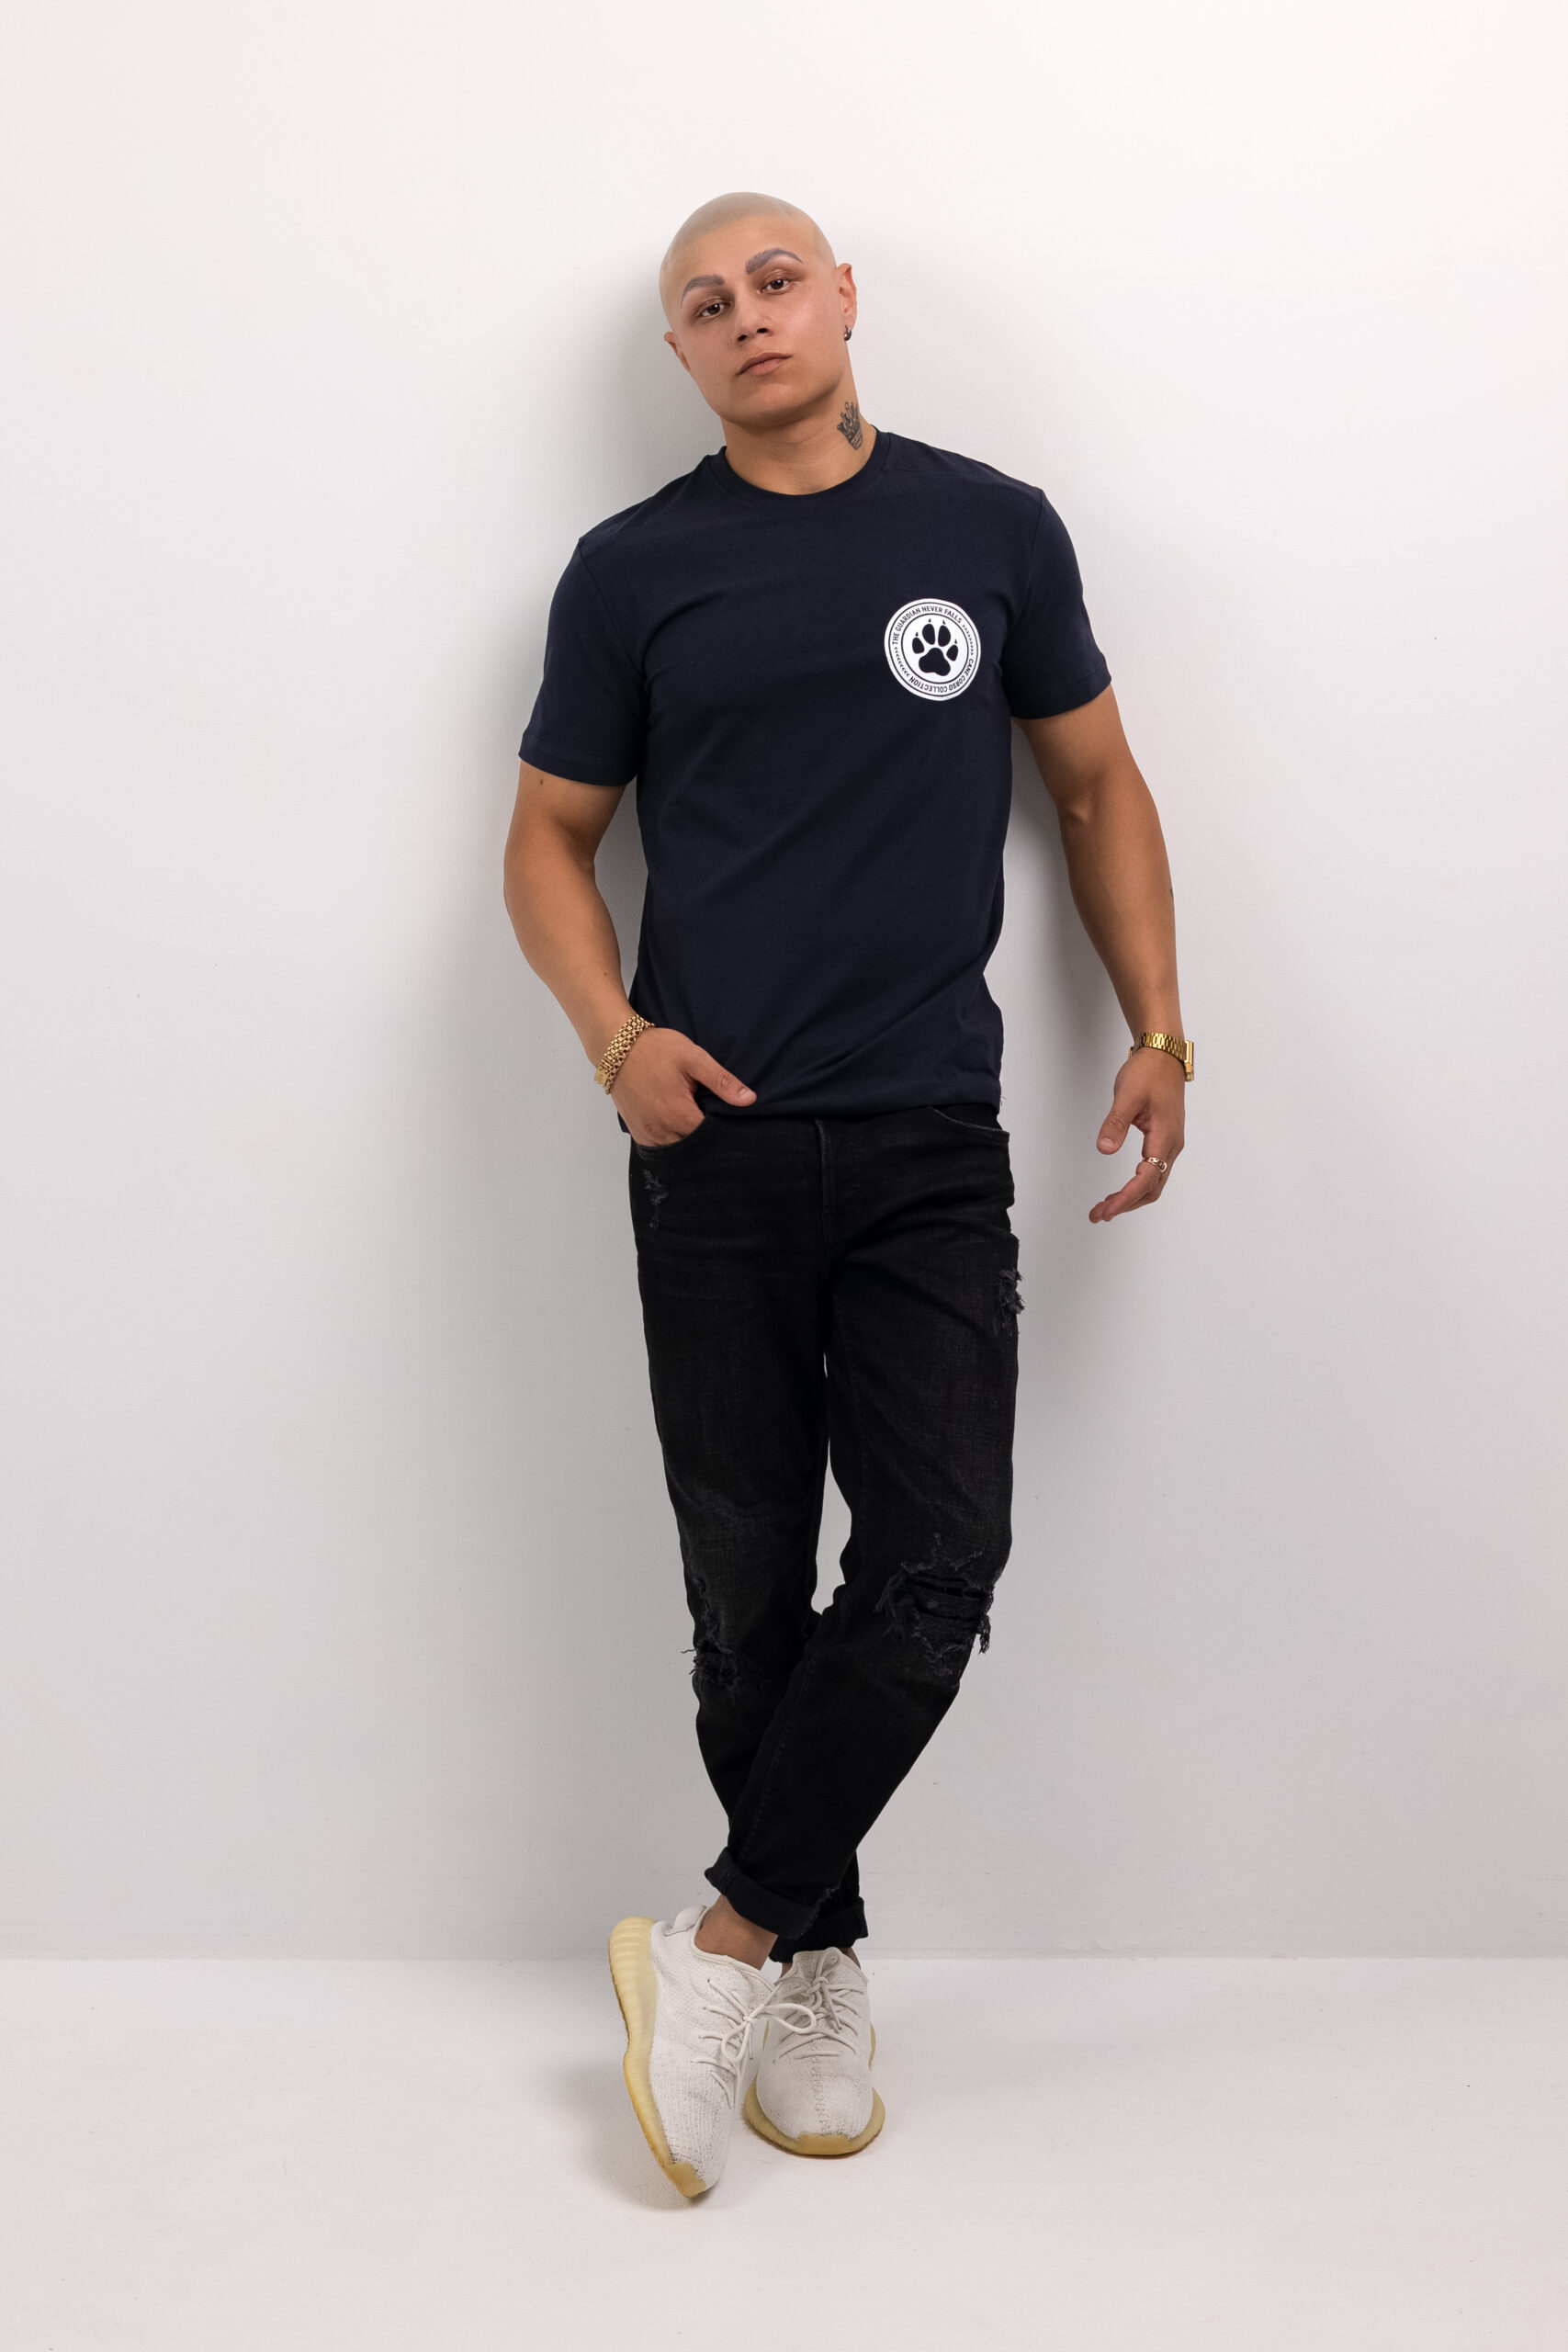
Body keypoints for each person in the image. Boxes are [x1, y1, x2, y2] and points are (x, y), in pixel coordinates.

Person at [503, 191, 1190, 2199]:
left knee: (935, 1560)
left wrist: (1161, 1026)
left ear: (843, 297)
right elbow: (547, 838)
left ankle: (718, 1945)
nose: (748, 317)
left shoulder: (992, 529)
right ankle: (820, 1960)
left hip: (922, 1139)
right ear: (681, 353)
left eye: (776, 280)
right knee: (742, 1600)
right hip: (707, 1145)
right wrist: (614, 1040)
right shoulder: (633, 571)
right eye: (704, 304)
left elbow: (1094, 783)